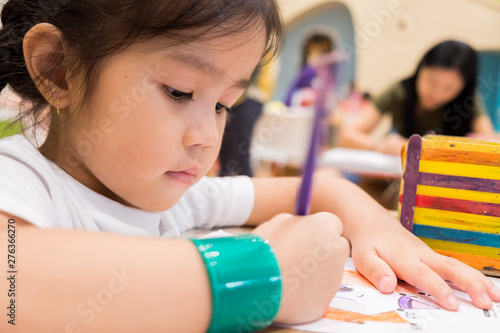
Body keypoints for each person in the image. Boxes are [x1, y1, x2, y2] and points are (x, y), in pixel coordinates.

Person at [0, 2, 498, 332]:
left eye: (223, 105)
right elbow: (13, 281)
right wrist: (262, 276)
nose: (207, 137)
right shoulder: (22, 181)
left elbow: (323, 186)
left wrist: (371, 225)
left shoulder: (174, 196)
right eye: (179, 91)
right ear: (59, 71)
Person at [338, 40, 496, 156]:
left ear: (463, 87)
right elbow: (346, 136)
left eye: (450, 88)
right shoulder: (398, 92)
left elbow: (491, 147)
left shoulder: (468, 101)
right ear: (420, 69)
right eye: (431, 81)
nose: (436, 93)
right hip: (393, 178)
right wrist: (379, 145)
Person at [284, 32, 334, 107]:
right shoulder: (307, 71)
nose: (316, 58)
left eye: (321, 53)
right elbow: (289, 98)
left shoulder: (328, 75)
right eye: (312, 53)